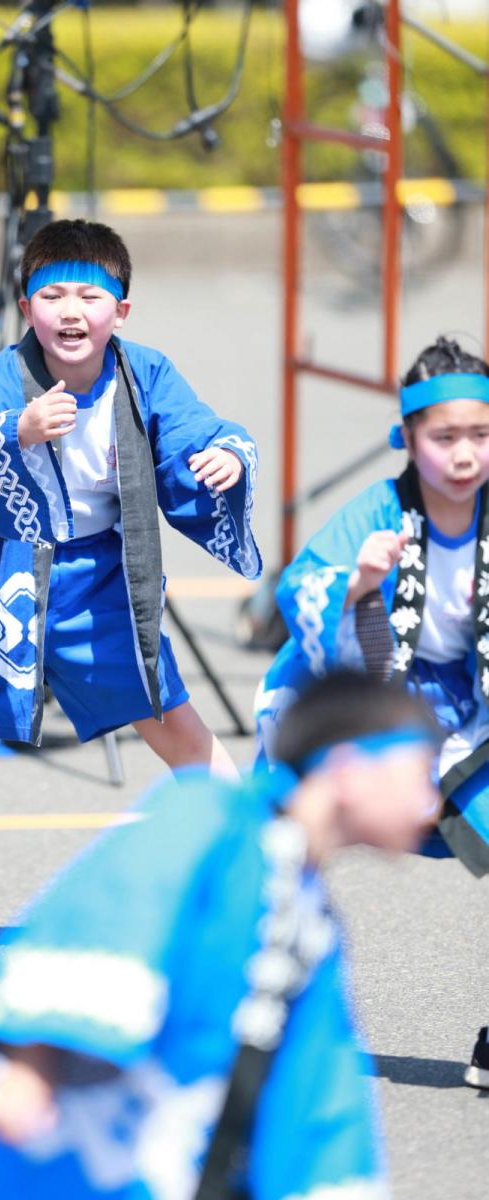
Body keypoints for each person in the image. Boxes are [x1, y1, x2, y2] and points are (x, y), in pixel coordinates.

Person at [0, 670, 439, 1200]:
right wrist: (34, 1061)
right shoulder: (208, 813)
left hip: (168, 1147)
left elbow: (318, 1088)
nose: (430, 802)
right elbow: (106, 910)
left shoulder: (309, 909)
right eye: (417, 774)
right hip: (62, 1132)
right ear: (349, 771)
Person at [0, 219, 261, 779]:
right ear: (26, 307)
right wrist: (17, 427)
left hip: (100, 582)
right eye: (52, 296)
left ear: (121, 311)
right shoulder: (2, 377)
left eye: (91, 296)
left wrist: (227, 455)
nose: (71, 311)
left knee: (169, 715)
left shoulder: (145, 373)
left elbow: (193, 428)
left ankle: (250, 841)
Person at [254, 335, 489, 1090]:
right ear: (407, 439)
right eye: (443, 437)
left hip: (469, 708)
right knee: (279, 845)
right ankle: (240, 1004)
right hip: (366, 698)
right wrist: (357, 588)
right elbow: (299, 594)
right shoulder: (376, 513)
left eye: (480, 435)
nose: (463, 455)